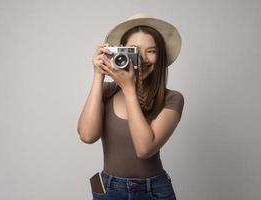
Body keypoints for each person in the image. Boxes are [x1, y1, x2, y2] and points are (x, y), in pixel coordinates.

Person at [77, 13, 184, 200]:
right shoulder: (107, 91)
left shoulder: (172, 99)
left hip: (153, 191)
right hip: (109, 188)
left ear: (161, 56)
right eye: (133, 50)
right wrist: (98, 74)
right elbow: (87, 135)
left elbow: (144, 149)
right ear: (120, 53)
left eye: (151, 51)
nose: (141, 58)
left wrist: (129, 90)